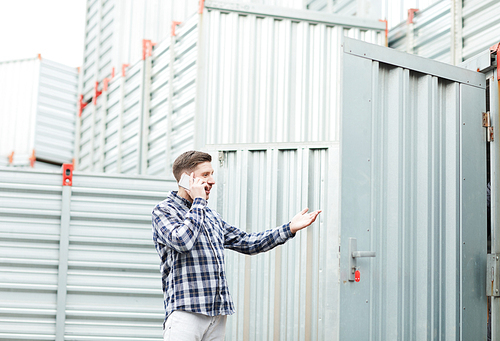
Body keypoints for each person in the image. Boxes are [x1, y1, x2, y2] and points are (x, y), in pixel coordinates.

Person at [152, 150, 321, 341]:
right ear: (186, 180)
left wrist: (289, 228)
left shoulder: (211, 216)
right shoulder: (164, 211)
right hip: (186, 312)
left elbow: (248, 242)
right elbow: (182, 241)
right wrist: (198, 202)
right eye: (205, 175)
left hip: (217, 314)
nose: (213, 181)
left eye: (212, 174)